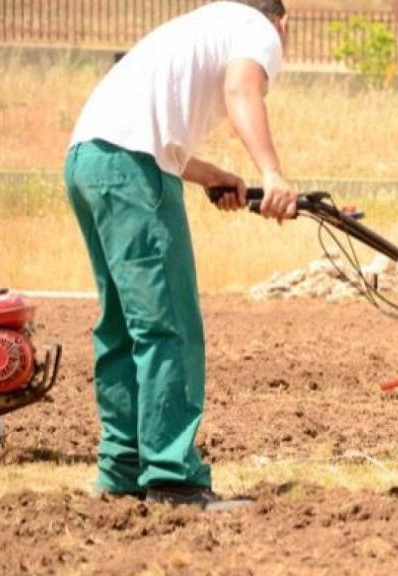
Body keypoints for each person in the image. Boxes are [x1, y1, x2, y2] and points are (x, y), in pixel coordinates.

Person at [64, 0, 297, 509]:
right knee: (168, 323)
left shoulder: (201, 25)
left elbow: (148, 127)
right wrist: (272, 172)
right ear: (284, 20)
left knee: (125, 326)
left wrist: (211, 174)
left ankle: (122, 470)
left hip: (88, 161)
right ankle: (173, 476)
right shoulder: (259, 27)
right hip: (133, 169)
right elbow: (241, 89)